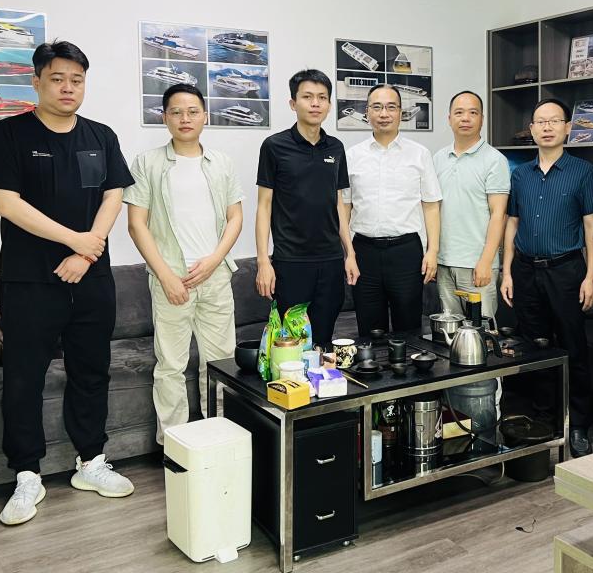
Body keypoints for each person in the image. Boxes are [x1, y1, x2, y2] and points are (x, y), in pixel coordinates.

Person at [0, 40, 135, 526]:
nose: (67, 88)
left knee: (92, 370)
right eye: (57, 78)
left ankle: (91, 461)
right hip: (30, 280)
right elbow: (7, 204)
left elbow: (113, 196)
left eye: (76, 80)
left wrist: (87, 251)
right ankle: (27, 474)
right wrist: (74, 241)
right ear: (37, 81)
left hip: (92, 278)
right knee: (24, 377)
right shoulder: (7, 134)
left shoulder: (101, 135)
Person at [125, 83, 243, 444]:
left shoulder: (221, 163)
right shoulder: (148, 163)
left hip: (215, 276)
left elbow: (235, 217)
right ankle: (174, 445)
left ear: (205, 116)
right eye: (176, 112)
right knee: (171, 366)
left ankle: (222, 441)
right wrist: (165, 276)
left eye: (192, 111)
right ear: (164, 118)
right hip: (170, 279)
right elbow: (136, 224)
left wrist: (214, 260)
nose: (185, 118)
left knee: (222, 363)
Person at [501, 98, 593, 457]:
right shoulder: (520, 174)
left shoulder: (583, 172)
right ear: (531, 129)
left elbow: (591, 227)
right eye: (540, 122)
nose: (547, 127)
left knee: (573, 347)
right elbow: (512, 224)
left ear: (568, 128)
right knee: (536, 347)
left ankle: (579, 424)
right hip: (526, 271)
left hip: (567, 270)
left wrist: (591, 275)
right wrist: (507, 271)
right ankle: (544, 419)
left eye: (554, 121)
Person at [255, 69, 358, 348]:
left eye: (322, 98)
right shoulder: (274, 146)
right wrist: (263, 261)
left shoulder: (335, 148)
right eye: (307, 97)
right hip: (291, 262)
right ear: (293, 103)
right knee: (290, 344)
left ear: (329, 105)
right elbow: (264, 206)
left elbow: (338, 203)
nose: (315, 103)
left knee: (323, 341)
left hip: (331, 261)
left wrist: (349, 253)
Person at [343, 84, 442, 335]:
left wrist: (432, 251)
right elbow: (344, 208)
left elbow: (431, 206)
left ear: (400, 112)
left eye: (391, 107)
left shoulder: (419, 154)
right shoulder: (352, 156)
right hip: (364, 252)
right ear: (367, 112)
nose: (384, 114)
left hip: (406, 252)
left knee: (409, 332)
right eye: (376, 107)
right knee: (369, 333)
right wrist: (348, 253)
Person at [433, 90, 509, 323]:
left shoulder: (494, 160)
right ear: (449, 119)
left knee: (481, 332)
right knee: (450, 333)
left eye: (473, 113)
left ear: (482, 119)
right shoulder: (438, 158)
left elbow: (499, 214)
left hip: (477, 264)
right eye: (459, 113)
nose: (465, 118)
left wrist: (486, 261)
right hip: (444, 262)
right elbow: (432, 210)